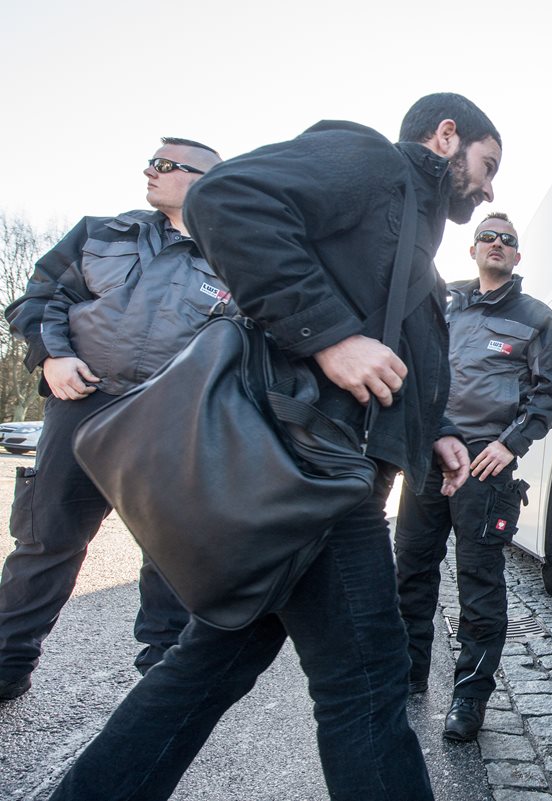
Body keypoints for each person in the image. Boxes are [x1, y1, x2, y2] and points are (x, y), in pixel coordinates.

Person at [46, 93, 500, 801]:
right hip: (310, 469)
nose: (489, 187)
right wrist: (330, 337)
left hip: (317, 470)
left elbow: (392, 357)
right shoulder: (370, 160)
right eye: (487, 164)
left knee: (208, 668)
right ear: (447, 136)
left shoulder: (414, 238)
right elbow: (226, 199)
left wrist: (434, 430)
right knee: (368, 683)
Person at [0, 138, 226, 701]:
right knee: (46, 541)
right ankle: (6, 663)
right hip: (82, 407)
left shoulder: (237, 256)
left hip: (170, 423)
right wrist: (52, 357)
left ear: (205, 181)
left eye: (166, 165)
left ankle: (163, 685)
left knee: (172, 556)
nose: (150, 170)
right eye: (152, 160)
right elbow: (38, 300)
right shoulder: (101, 233)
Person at [394, 212, 552, 742]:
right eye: (487, 236)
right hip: (427, 457)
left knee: (479, 584)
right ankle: (408, 676)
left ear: (517, 256)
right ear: (472, 249)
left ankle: (469, 699)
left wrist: (508, 443)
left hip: (484, 468)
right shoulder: (442, 302)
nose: (497, 243)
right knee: (410, 573)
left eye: (507, 240)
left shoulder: (536, 317)